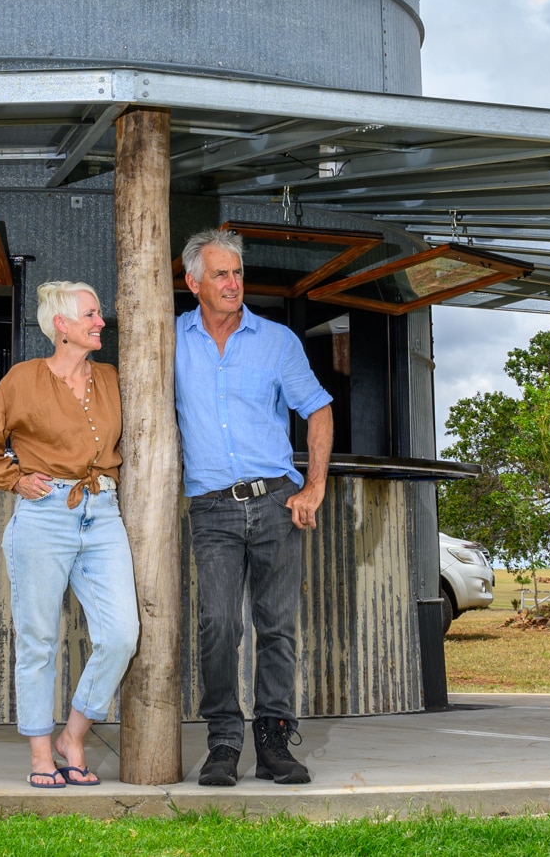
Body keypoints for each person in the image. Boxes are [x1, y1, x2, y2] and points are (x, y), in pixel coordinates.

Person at [0, 280, 139, 790]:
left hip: (102, 513)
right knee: (39, 641)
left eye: (99, 313)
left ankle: (73, 735)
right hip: (43, 519)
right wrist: (16, 477)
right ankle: (42, 752)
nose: (100, 321)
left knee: (121, 634)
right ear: (61, 325)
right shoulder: (23, 380)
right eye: (90, 313)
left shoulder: (110, 378)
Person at [175, 227, 334, 787]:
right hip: (211, 508)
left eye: (238, 273)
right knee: (218, 623)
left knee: (277, 627)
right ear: (193, 281)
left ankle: (273, 743)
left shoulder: (277, 341)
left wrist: (313, 486)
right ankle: (223, 741)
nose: (233, 283)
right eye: (220, 273)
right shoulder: (169, 341)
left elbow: (317, 410)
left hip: (274, 503)